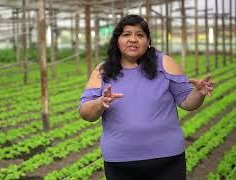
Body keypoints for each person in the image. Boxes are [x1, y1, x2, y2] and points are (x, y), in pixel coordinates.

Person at [78, 14, 214, 180]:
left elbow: (187, 102)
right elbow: (85, 113)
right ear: (117, 40)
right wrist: (100, 102)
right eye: (126, 34)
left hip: (167, 160)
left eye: (140, 35)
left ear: (148, 41)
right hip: (120, 162)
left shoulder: (164, 62)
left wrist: (198, 94)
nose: (133, 39)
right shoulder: (103, 70)